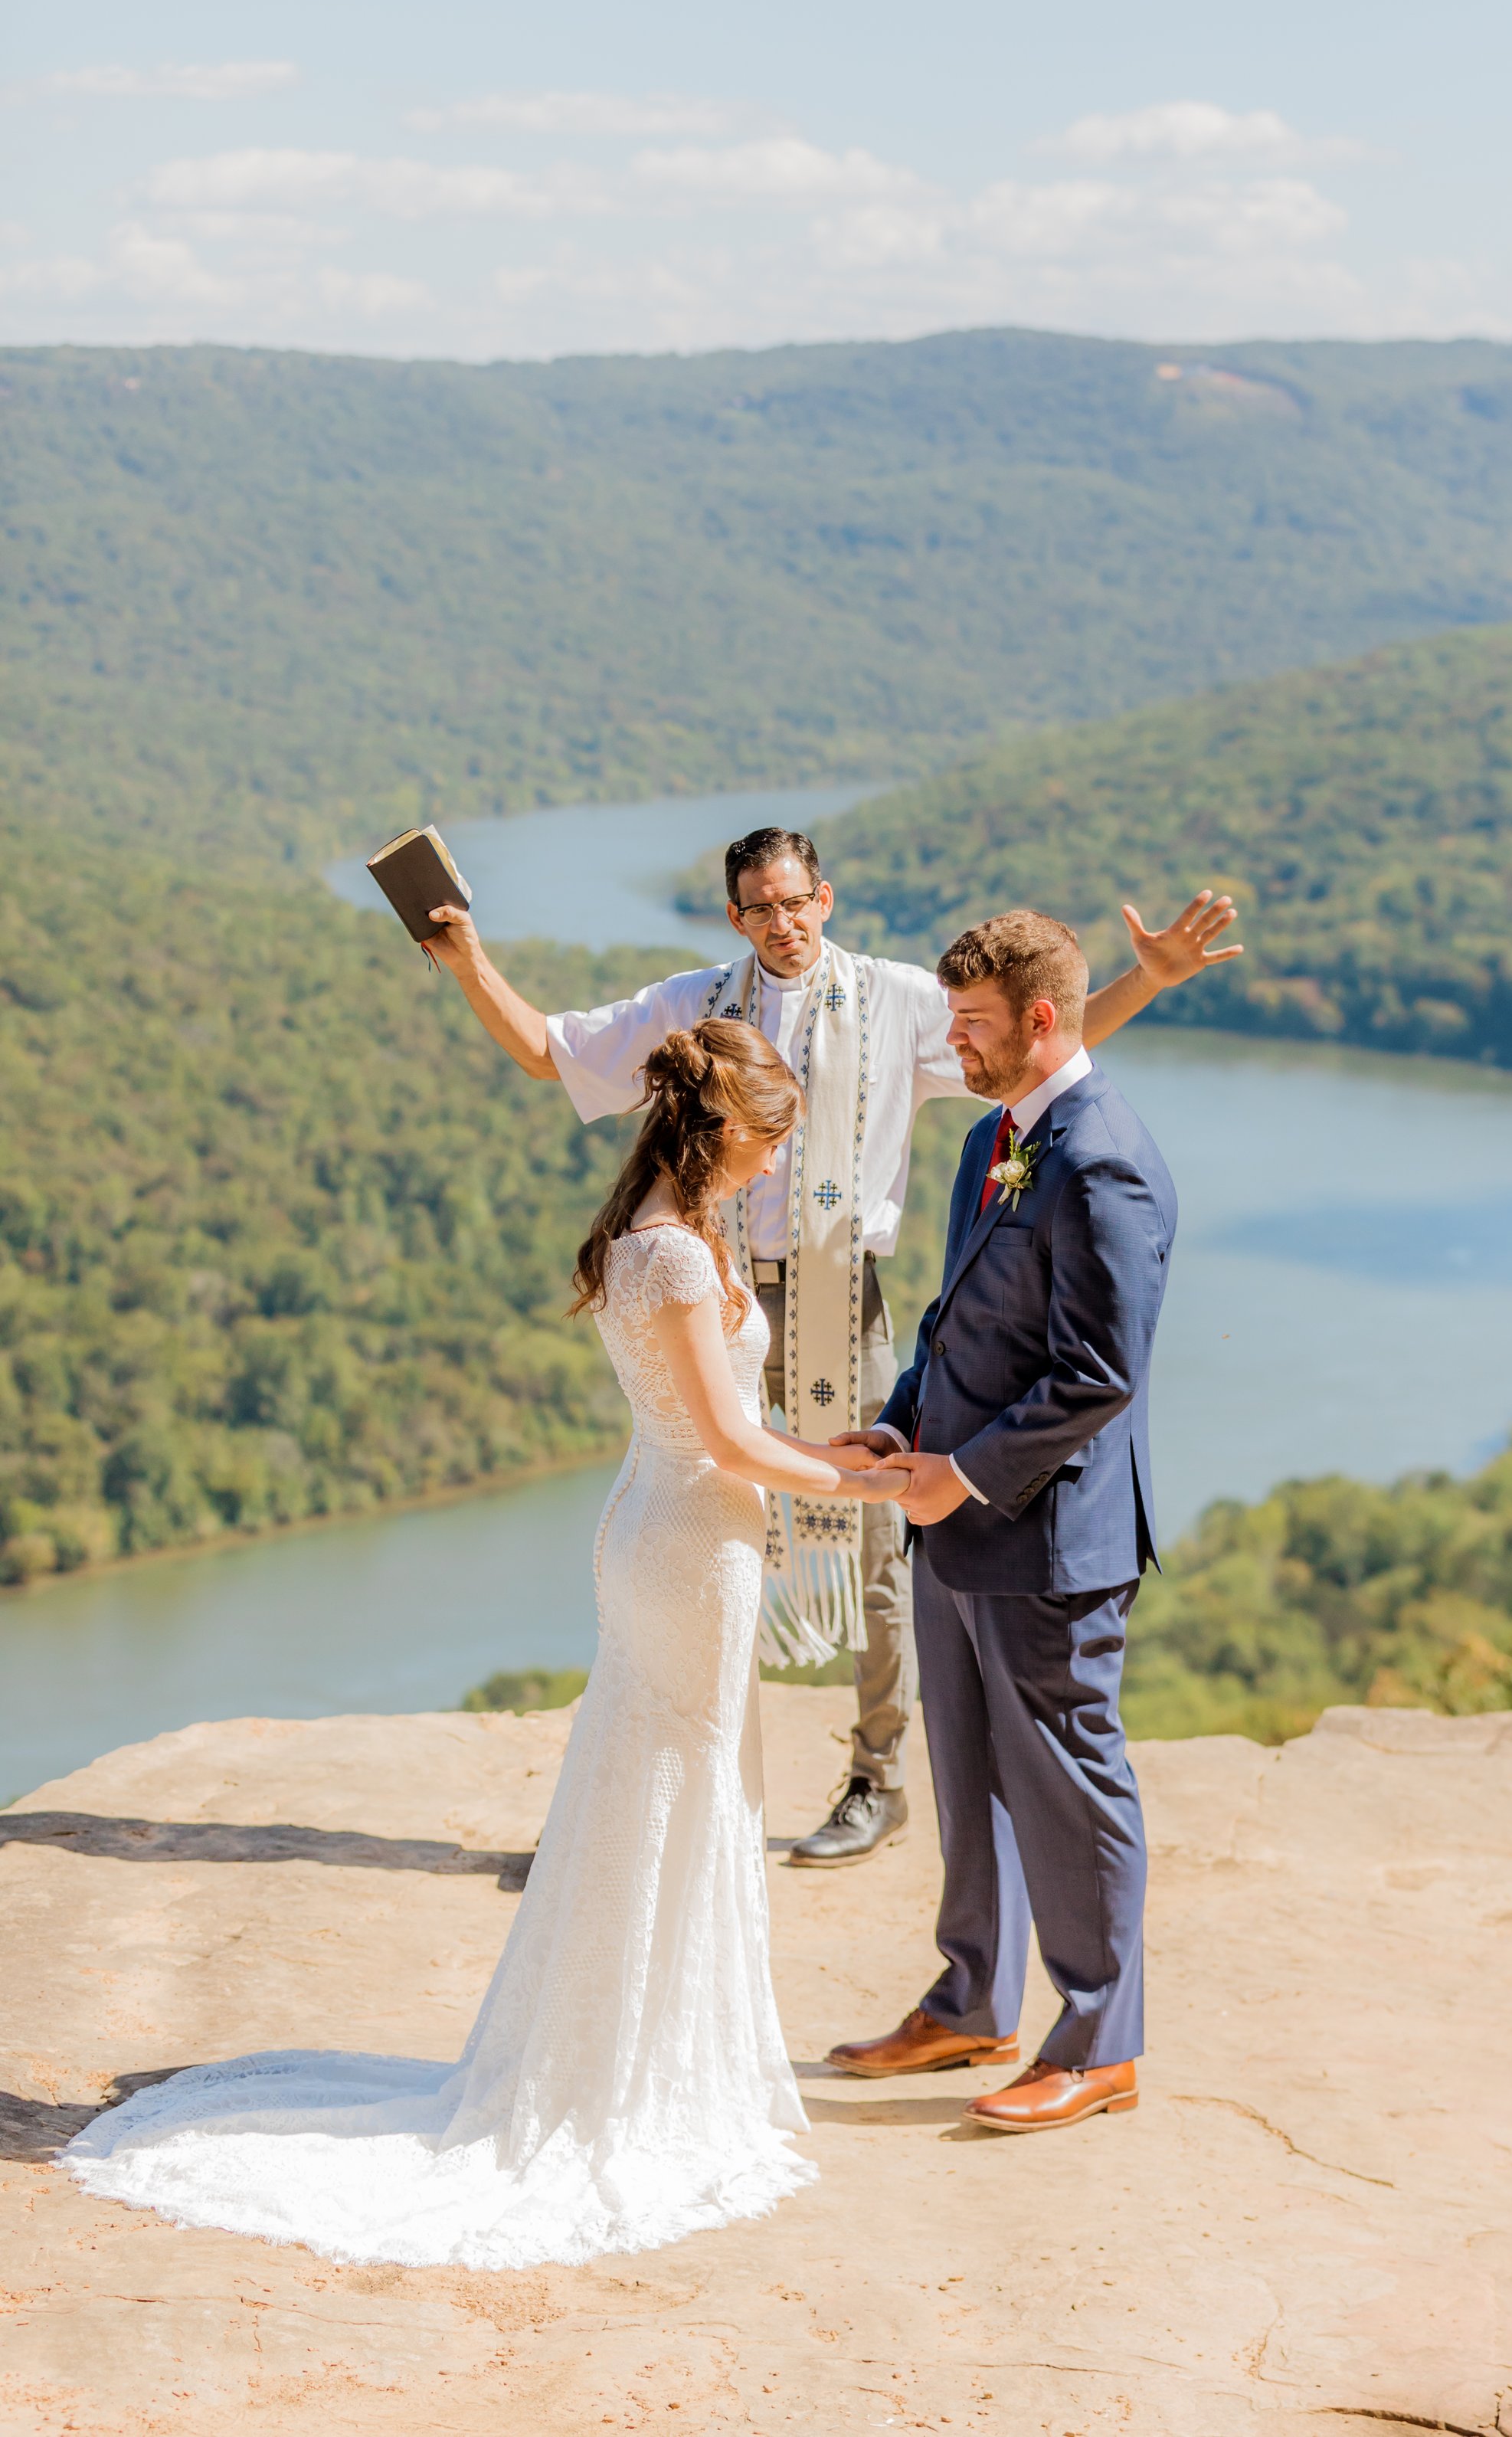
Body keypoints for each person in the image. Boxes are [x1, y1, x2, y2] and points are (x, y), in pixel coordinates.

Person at [61, 1023, 900, 2267]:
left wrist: (840, 1455)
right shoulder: (670, 1252)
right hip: (685, 1543)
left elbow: (734, 1422)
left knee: (671, 1796)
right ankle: (628, 2079)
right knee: (670, 1799)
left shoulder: (671, 1230)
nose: (779, 1163)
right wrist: (874, 1484)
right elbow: (725, 1444)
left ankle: (647, 2054)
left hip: (678, 1538)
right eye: (772, 1141)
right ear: (722, 1129)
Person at [422, 827, 1239, 1865]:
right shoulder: (694, 1003)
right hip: (716, 1291)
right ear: (735, 917)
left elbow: (1041, 1045)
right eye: (760, 905)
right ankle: (670, 1792)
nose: (783, 920)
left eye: (797, 900)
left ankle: (876, 1774)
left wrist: (1147, 980)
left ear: (827, 898)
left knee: (882, 1531)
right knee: (705, 1527)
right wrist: (466, 959)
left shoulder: (897, 1000)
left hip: (840, 1301)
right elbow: (551, 1051)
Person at [827, 912, 1173, 2134]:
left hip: (1046, 1541)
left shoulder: (1104, 1159)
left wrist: (962, 1478)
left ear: (1040, 1018)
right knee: (969, 1775)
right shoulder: (994, 1139)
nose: (953, 1041)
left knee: (1070, 1786)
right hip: (955, 1517)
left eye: (971, 1023)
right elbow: (953, 1316)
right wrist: (897, 1426)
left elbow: (1098, 1374)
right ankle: (973, 1995)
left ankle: (1101, 2041)